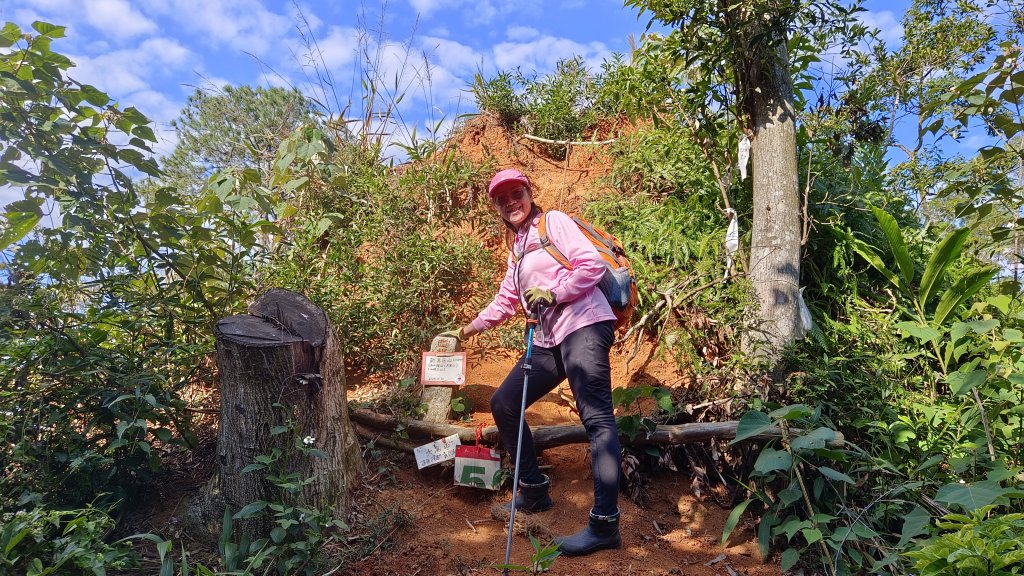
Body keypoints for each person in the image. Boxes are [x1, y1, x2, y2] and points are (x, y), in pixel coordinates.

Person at [437, 168, 622, 556]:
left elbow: (590, 264)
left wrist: (553, 293)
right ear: (496, 207)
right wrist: (465, 330)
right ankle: (534, 491)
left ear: (528, 193)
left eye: (516, 193)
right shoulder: (518, 249)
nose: (510, 202)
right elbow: (507, 301)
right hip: (550, 339)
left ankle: (605, 525)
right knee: (504, 403)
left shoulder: (552, 222)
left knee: (597, 419)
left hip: (585, 324)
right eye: (502, 198)